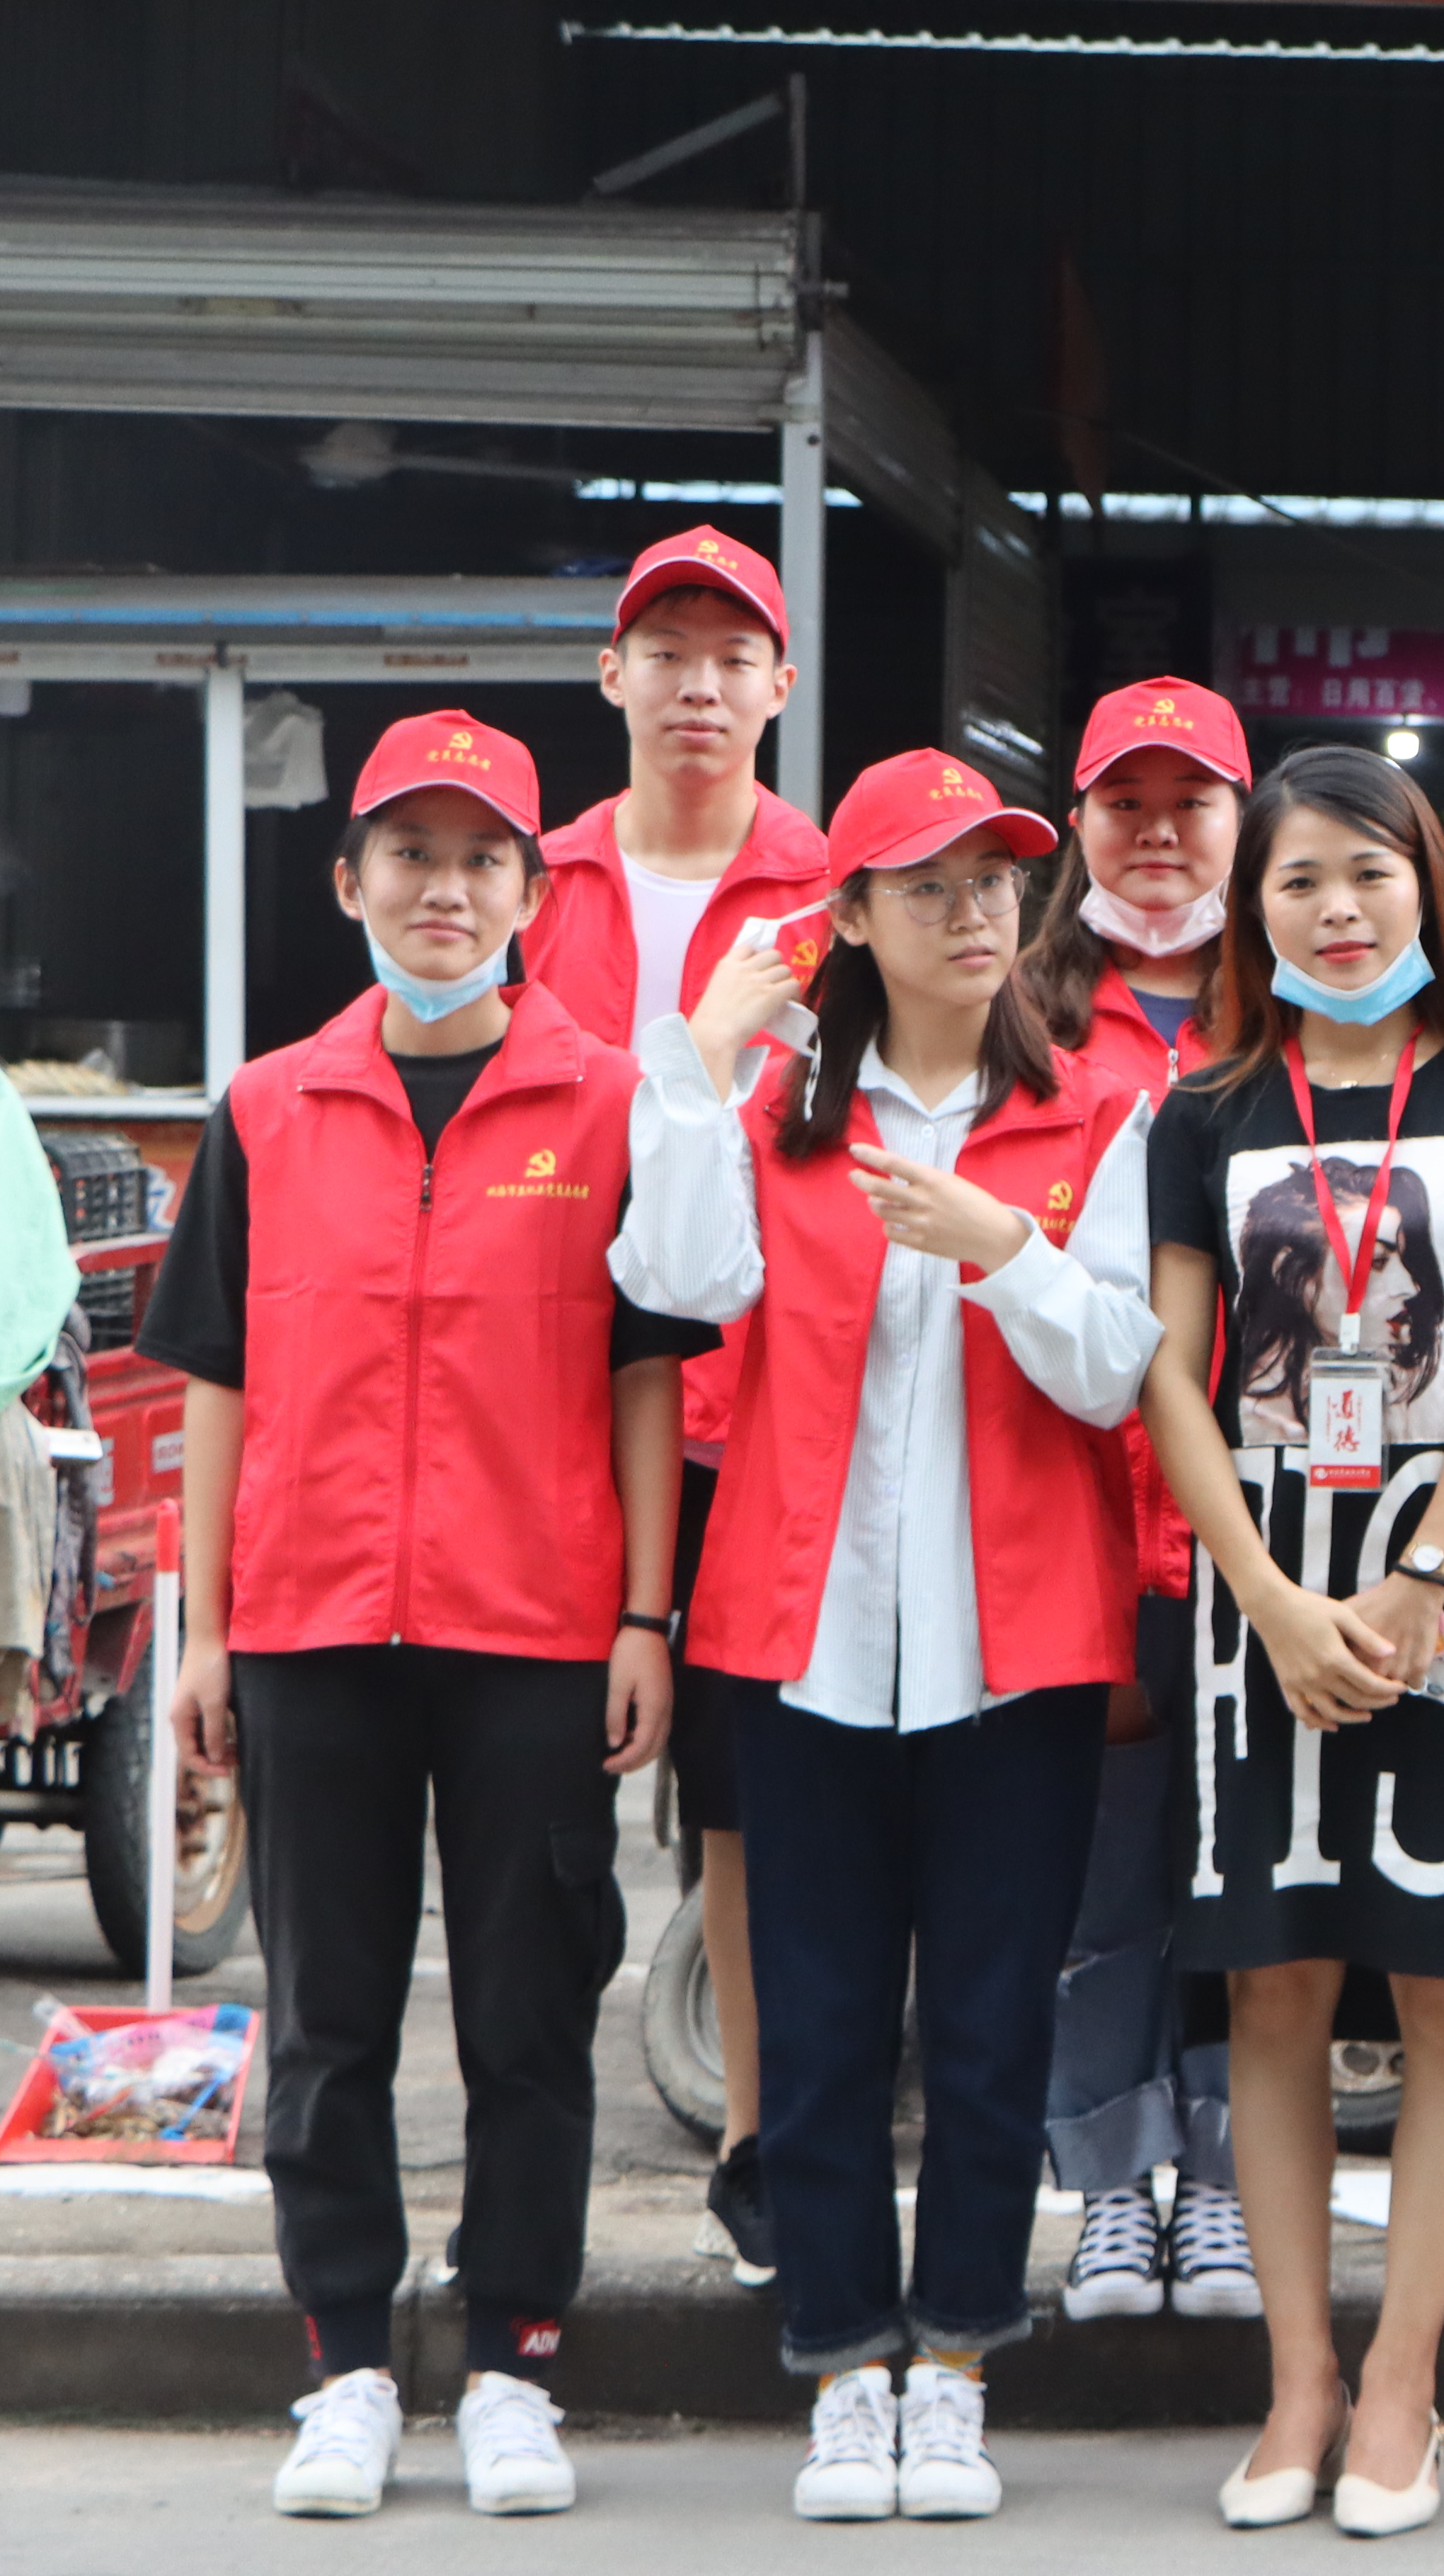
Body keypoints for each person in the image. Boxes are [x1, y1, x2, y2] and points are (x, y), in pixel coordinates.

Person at [142, 712, 702, 2524]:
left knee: (532, 2012)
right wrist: (207, 1628)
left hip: (535, 1629)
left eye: (480, 859)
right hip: (313, 1629)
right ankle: (345, 2366)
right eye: (410, 854)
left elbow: (646, 1375)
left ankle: (516, 2357)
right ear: (349, 882)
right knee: (328, 2015)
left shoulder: (606, 1101)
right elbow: (215, 1377)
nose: (443, 889)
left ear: (534, 892)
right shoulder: (267, 1106)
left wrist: (644, 1610)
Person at [611, 748, 1166, 2524]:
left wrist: (1006, 1246)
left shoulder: (1095, 1110)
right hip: (805, 1637)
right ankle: (846, 2362)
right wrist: (696, 1059)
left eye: (996, 880)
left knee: (995, 2023)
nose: (973, 912)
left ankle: (961, 2363)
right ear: (847, 915)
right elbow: (675, 1282)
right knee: (826, 2022)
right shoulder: (781, 1113)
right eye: (927, 885)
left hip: (1024, 1642)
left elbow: (1123, 1367)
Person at [1137, 745, 1444, 2536]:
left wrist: (1421, 1573)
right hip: (1256, 1590)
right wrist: (1266, 1597)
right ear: (1251, 909)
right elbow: (1170, 1370)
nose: (1339, 910)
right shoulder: (1204, 1111)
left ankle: (1403, 2384)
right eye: (1300, 880)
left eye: (1370, 872)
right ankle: (1300, 2383)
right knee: (1270, 1985)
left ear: (1429, 885)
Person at [521, 525, 831, 2291]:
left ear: (780, 684)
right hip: (544, 1407)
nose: (698, 684)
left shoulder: (834, 893)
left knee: (745, 1795)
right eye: (667, 650)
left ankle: (757, 2142)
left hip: (754, 1409)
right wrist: (690, 1057)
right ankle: (526, 2167)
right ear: (613, 675)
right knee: (538, 1790)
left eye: (732, 655)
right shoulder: (535, 886)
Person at [1026, 674, 1266, 2323]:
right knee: (1104, 1878)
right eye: (1127, 802)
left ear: (1244, 821)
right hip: (1082, 1517)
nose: (1160, 832)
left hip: (1267, 1524)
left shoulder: (1299, 1002)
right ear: (1080, 822)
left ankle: (1233, 2186)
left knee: (1246, 1871)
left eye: (1193, 802)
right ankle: (1113, 2190)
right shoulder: (1022, 1012)